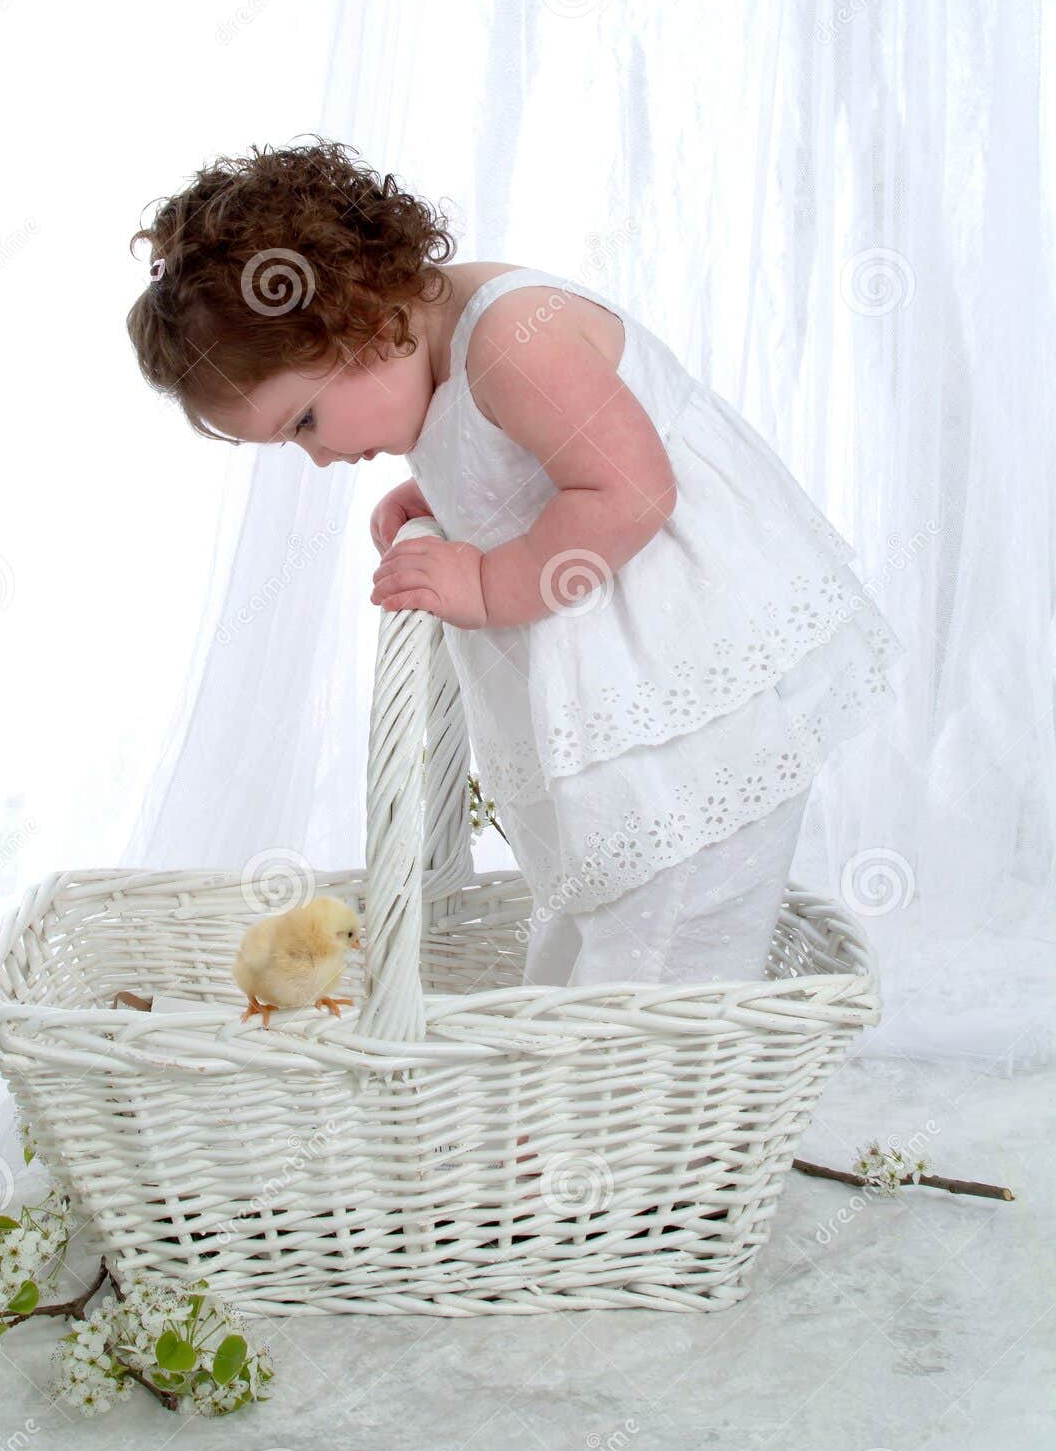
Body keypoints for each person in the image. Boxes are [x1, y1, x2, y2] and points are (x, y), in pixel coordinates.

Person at [125, 136, 906, 989]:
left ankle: (651, 1099)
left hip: (698, 675)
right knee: (600, 900)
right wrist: (455, 505)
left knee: (675, 922)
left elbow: (628, 491)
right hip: (636, 686)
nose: (317, 457)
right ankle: (554, 1078)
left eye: (304, 422)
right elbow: (533, 465)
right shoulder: (423, 347)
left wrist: (489, 579)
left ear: (355, 313)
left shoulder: (510, 340)